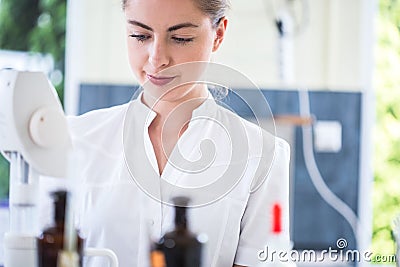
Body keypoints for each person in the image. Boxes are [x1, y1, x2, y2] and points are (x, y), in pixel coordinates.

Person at [63, 0, 291, 266]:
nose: (157, 58)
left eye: (181, 38)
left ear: (218, 34)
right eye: (140, 35)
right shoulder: (75, 139)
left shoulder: (262, 154)